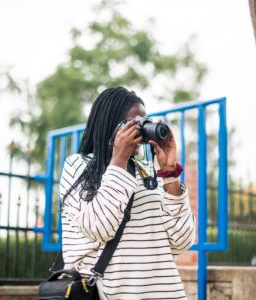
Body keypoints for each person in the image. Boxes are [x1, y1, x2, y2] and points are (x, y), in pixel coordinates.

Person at [59, 87, 196, 300]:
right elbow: (100, 228)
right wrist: (118, 161)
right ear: (110, 125)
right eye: (132, 123)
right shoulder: (78, 166)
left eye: (143, 122)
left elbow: (182, 241)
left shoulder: (147, 174)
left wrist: (170, 175)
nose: (140, 130)